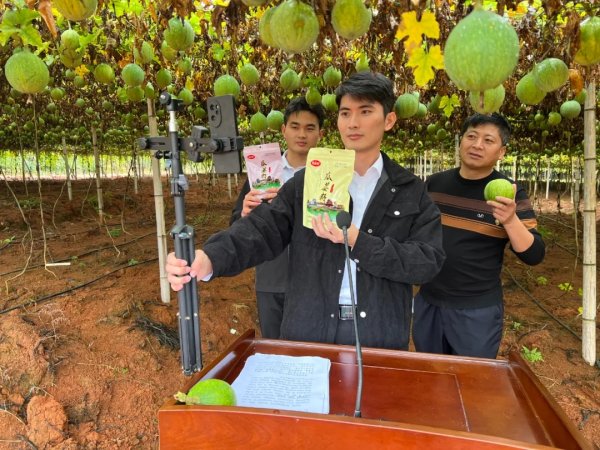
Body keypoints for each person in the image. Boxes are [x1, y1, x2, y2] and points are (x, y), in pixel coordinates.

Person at [166, 72, 445, 350]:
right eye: (345, 113)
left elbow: (427, 261)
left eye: (365, 111)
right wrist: (210, 258)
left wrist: (359, 241)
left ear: (389, 120)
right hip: (311, 329)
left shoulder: (410, 190)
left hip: (379, 333)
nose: (353, 123)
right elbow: (262, 228)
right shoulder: (308, 181)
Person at [412, 113, 545, 359]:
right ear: (461, 141)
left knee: (471, 377)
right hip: (429, 301)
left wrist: (510, 220)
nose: (477, 145)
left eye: (488, 140)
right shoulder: (434, 185)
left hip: (476, 311)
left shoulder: (509, 192)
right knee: (431, 373)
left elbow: (534, 254)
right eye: (471, 136)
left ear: (501, 152)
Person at [230, 97, 325, 339]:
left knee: (313, 348)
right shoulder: (263, 173)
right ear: (283, 130)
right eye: (295, 126)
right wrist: (244, 214)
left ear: (320, 134)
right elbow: (236, 224)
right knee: (274, 344)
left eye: (310, 128)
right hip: (272, 276)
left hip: (317, 279)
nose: (301, 134)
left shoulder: (327, 175)